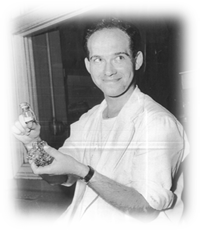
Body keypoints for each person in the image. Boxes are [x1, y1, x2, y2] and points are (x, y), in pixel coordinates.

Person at [11, 17, 189, 229]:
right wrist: (33, 143)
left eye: (119, 57)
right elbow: (57, 175)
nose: (108, 71)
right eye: (98, 60)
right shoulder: (88, 120)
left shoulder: (159, 124)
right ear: (88, 65)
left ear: (137, 60)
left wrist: (84, 171)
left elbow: (147, 209)